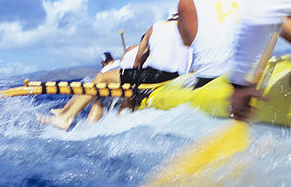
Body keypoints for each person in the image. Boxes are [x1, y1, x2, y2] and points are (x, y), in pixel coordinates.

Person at [42, 15, 192, 130]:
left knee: (100, 79)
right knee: (129, 91)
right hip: (176, 79)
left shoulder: (156, 27)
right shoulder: (191, 31)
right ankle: (65, 113)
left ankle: (66, 118)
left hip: (153, 77)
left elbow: (139, 59)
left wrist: (133, 77)